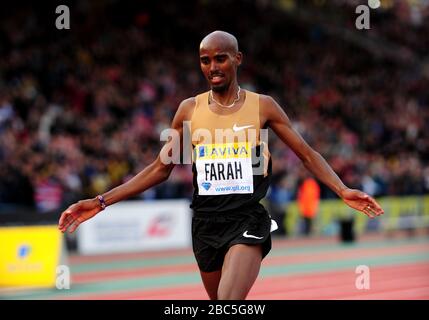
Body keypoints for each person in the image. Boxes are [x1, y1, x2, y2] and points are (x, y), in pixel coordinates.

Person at [58, 30, 384, 300]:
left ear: (237, 59)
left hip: (247, 219)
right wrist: (101, 202)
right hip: (205, 224)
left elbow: (307, 154)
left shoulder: (263, 107)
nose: (212, 66)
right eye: (205, 60)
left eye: (220, 58)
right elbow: (161, 168)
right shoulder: (188, 110)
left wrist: (342, 189)